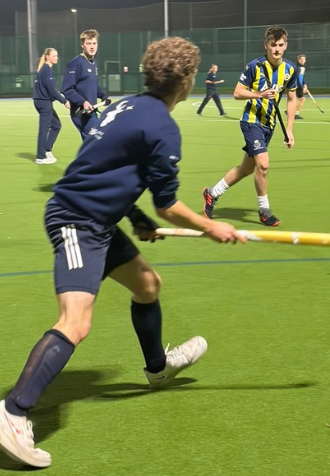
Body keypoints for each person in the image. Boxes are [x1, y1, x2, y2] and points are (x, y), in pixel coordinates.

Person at [0, 37, 246, 469]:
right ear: (187, 81)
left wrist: (133, 215)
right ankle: (13, 412)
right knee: (76, 322)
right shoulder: (164, 128)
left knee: (148, 285)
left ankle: (156, 368)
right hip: (76, 220)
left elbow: (105, 165)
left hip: (100, 219)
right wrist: (212, 227)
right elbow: (167, 206)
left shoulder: (125, 106)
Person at [201, 26, 298, 227]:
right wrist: (259, 95)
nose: (277, 49)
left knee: (245, 168)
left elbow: (291, 98)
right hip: (251, 121)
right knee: (263, 164)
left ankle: (212, 193)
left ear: (285, 46)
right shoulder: (255, 66)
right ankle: (264, 211)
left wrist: (289, 129)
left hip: (269, 125)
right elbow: (237, 93)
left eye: (280, 45)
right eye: (273, 45)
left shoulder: (290, 70)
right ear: (266, 45)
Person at [62, 29, 111, 140]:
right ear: (82, 45)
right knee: (99, 140)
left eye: (94, 43)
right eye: (88, 43)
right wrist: (83, 102)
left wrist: (104, 96)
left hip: (92, 112)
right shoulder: (75, 63)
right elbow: (67, 89)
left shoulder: (93, 63)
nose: (92, 47)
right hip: (81, 113)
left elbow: (94, 86)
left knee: (91, 145)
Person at [32, 48, 69, 164]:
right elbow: (51, 89)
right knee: (44, 129)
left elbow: (50, 89)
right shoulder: (46, 70)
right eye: (53, 55)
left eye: (57, 55)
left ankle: (46, 149)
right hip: (44, 103)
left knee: (56, 125)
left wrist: (59, 94)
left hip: (41, 101)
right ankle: (40, 157)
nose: (56, 57)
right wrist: (64, 100)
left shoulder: (44, 69)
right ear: (47, 57)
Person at [294, 54, 306, 119]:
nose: (303, 61)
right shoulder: (297, 67)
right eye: (301, 59)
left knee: (296, 100)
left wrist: (305, 84)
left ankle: (289, 111)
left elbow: (302, 77)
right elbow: (297, 78)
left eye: (304, 59)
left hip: (300, 85)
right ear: (298, 60)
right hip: (297, 85)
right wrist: (301, 86)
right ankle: (295, 114)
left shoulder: (303, 68)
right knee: (302, 99)